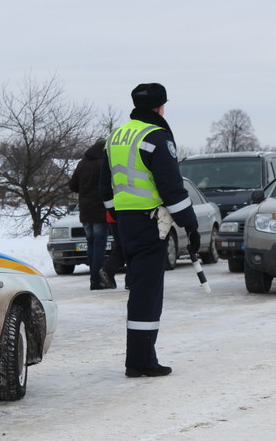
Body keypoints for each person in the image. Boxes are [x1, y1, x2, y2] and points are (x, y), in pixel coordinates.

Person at [100, 82, 200, 377]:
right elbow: (172, 189)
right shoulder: (157, 136)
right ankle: (141, 361)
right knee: (148, 293)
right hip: (150, 223)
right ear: (160, 107)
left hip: (127, 222)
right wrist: (190, 226)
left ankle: (140, 357)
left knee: (140, 289)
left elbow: (105, 188)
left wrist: (116, 218)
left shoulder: (115, 137)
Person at [69, 139, 113, 290]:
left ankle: (94, 278)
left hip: (85, 210)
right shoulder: (104, 163)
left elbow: (72, 185)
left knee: (91, 244)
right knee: (100, 245)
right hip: (100, 209)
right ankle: (96, 279)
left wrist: (85, 191)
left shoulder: (82, 164)